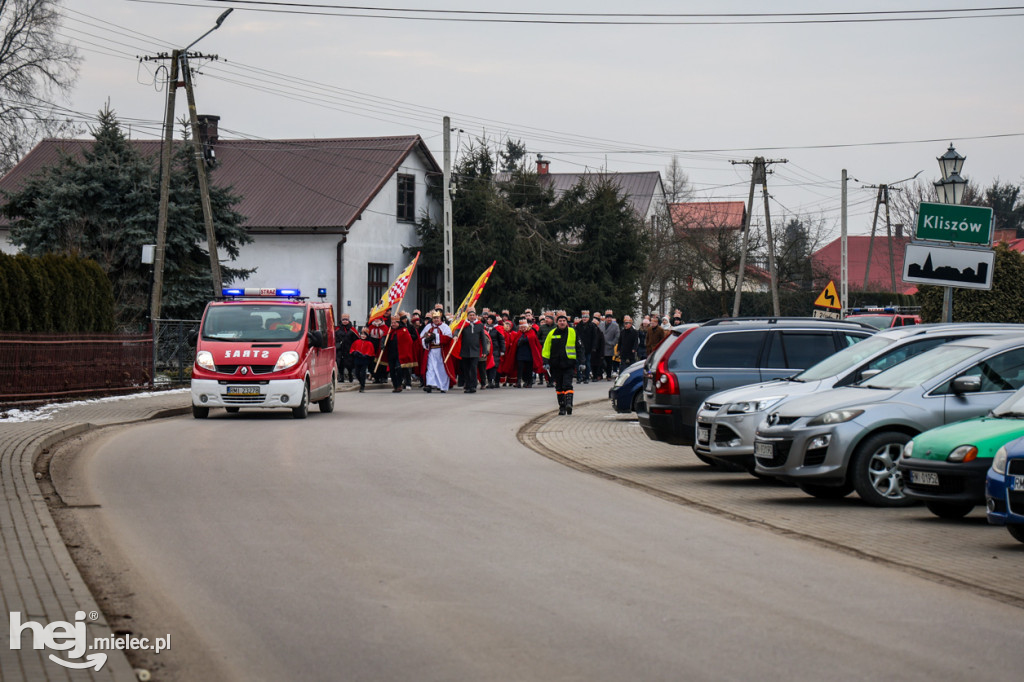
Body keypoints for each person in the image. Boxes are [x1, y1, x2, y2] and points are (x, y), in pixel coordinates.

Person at [542, 314, 584, 415]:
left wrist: (582, 362)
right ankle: (562, 407)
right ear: (557, 322)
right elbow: (546, 349)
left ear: (566, 322)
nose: (562, 322)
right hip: (556, 364)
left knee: (567, 384)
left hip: (568, 364)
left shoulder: (573, 332)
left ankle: (569, 404)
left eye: (563, 321)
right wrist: (546, 362)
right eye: (560, 321)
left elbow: (580, 348)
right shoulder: (552, 333)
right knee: (559, 387)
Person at [419, 311, 453, 393]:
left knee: (441, 369)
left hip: (441, 351)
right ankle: (429, 385)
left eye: (437, 318)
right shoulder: (428, 327)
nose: (436, 320)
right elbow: (421, 337)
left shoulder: (445, 327)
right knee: (430, 368)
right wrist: (426, 340)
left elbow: (448, 338)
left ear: (440, 318)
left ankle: (443, 386)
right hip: (431, 351)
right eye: (434, 318)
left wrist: (436, 337)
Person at [457, 308, 488, 393]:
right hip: (465, 350)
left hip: (475, 350)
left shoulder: (479, 325)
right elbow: (457, 330)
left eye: (473, 315)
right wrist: (456, 335)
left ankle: (473, 386)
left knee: (473, 368)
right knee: (466, 369)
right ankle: (468, 386)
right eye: (470, 315)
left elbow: (483, 339)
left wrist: (485, 351)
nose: (472, 316)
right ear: (467, 316)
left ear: (476, 316)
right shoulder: (464, 324)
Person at [385, 317, 416, 393]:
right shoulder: (390, 331)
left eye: (395, 323)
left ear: (398, 323)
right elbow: (385, 339)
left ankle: (399, 385)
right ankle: (395, 385)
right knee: (392, 370)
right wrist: (383, 343)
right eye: (392, 323)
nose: (393, 324)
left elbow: (409, 342)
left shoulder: (404, 330)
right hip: (391, 353)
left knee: (399, 369)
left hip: (400, 353)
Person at [349, 328, 375, 392]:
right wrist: (355, 352)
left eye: (364, 335)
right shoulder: (356, 342)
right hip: (357, 359)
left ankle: (362, 386)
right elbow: (352, 349)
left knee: (363, 373)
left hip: (365, 360)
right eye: (362, 334)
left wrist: (366, 355)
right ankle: (361, 383)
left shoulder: (369, 343)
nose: (363, 336)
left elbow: (371, 352)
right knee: (357, 373)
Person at [335, 313, 358, 382]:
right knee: (340, 364)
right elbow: (334, 338)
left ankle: (350, 375)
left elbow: (356, 340)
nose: (345, 321)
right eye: (343, 319)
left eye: (346, 319)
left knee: (349, 364)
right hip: (340, 350)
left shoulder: (352, 330)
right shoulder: (337, 329)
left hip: (349, 349)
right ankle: (341, 377)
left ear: (348, 320)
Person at [601, 309, 620, 379]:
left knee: (609, 362)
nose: (609, 319)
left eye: (610, 318)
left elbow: (617, 336)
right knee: (602, 362)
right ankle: (601, 374)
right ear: (605, 318)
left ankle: (608, 376)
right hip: (602, 347)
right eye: (607, 318)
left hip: (610, 347)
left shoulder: (615, 326)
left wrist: (613, 343)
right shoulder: (601, 324)